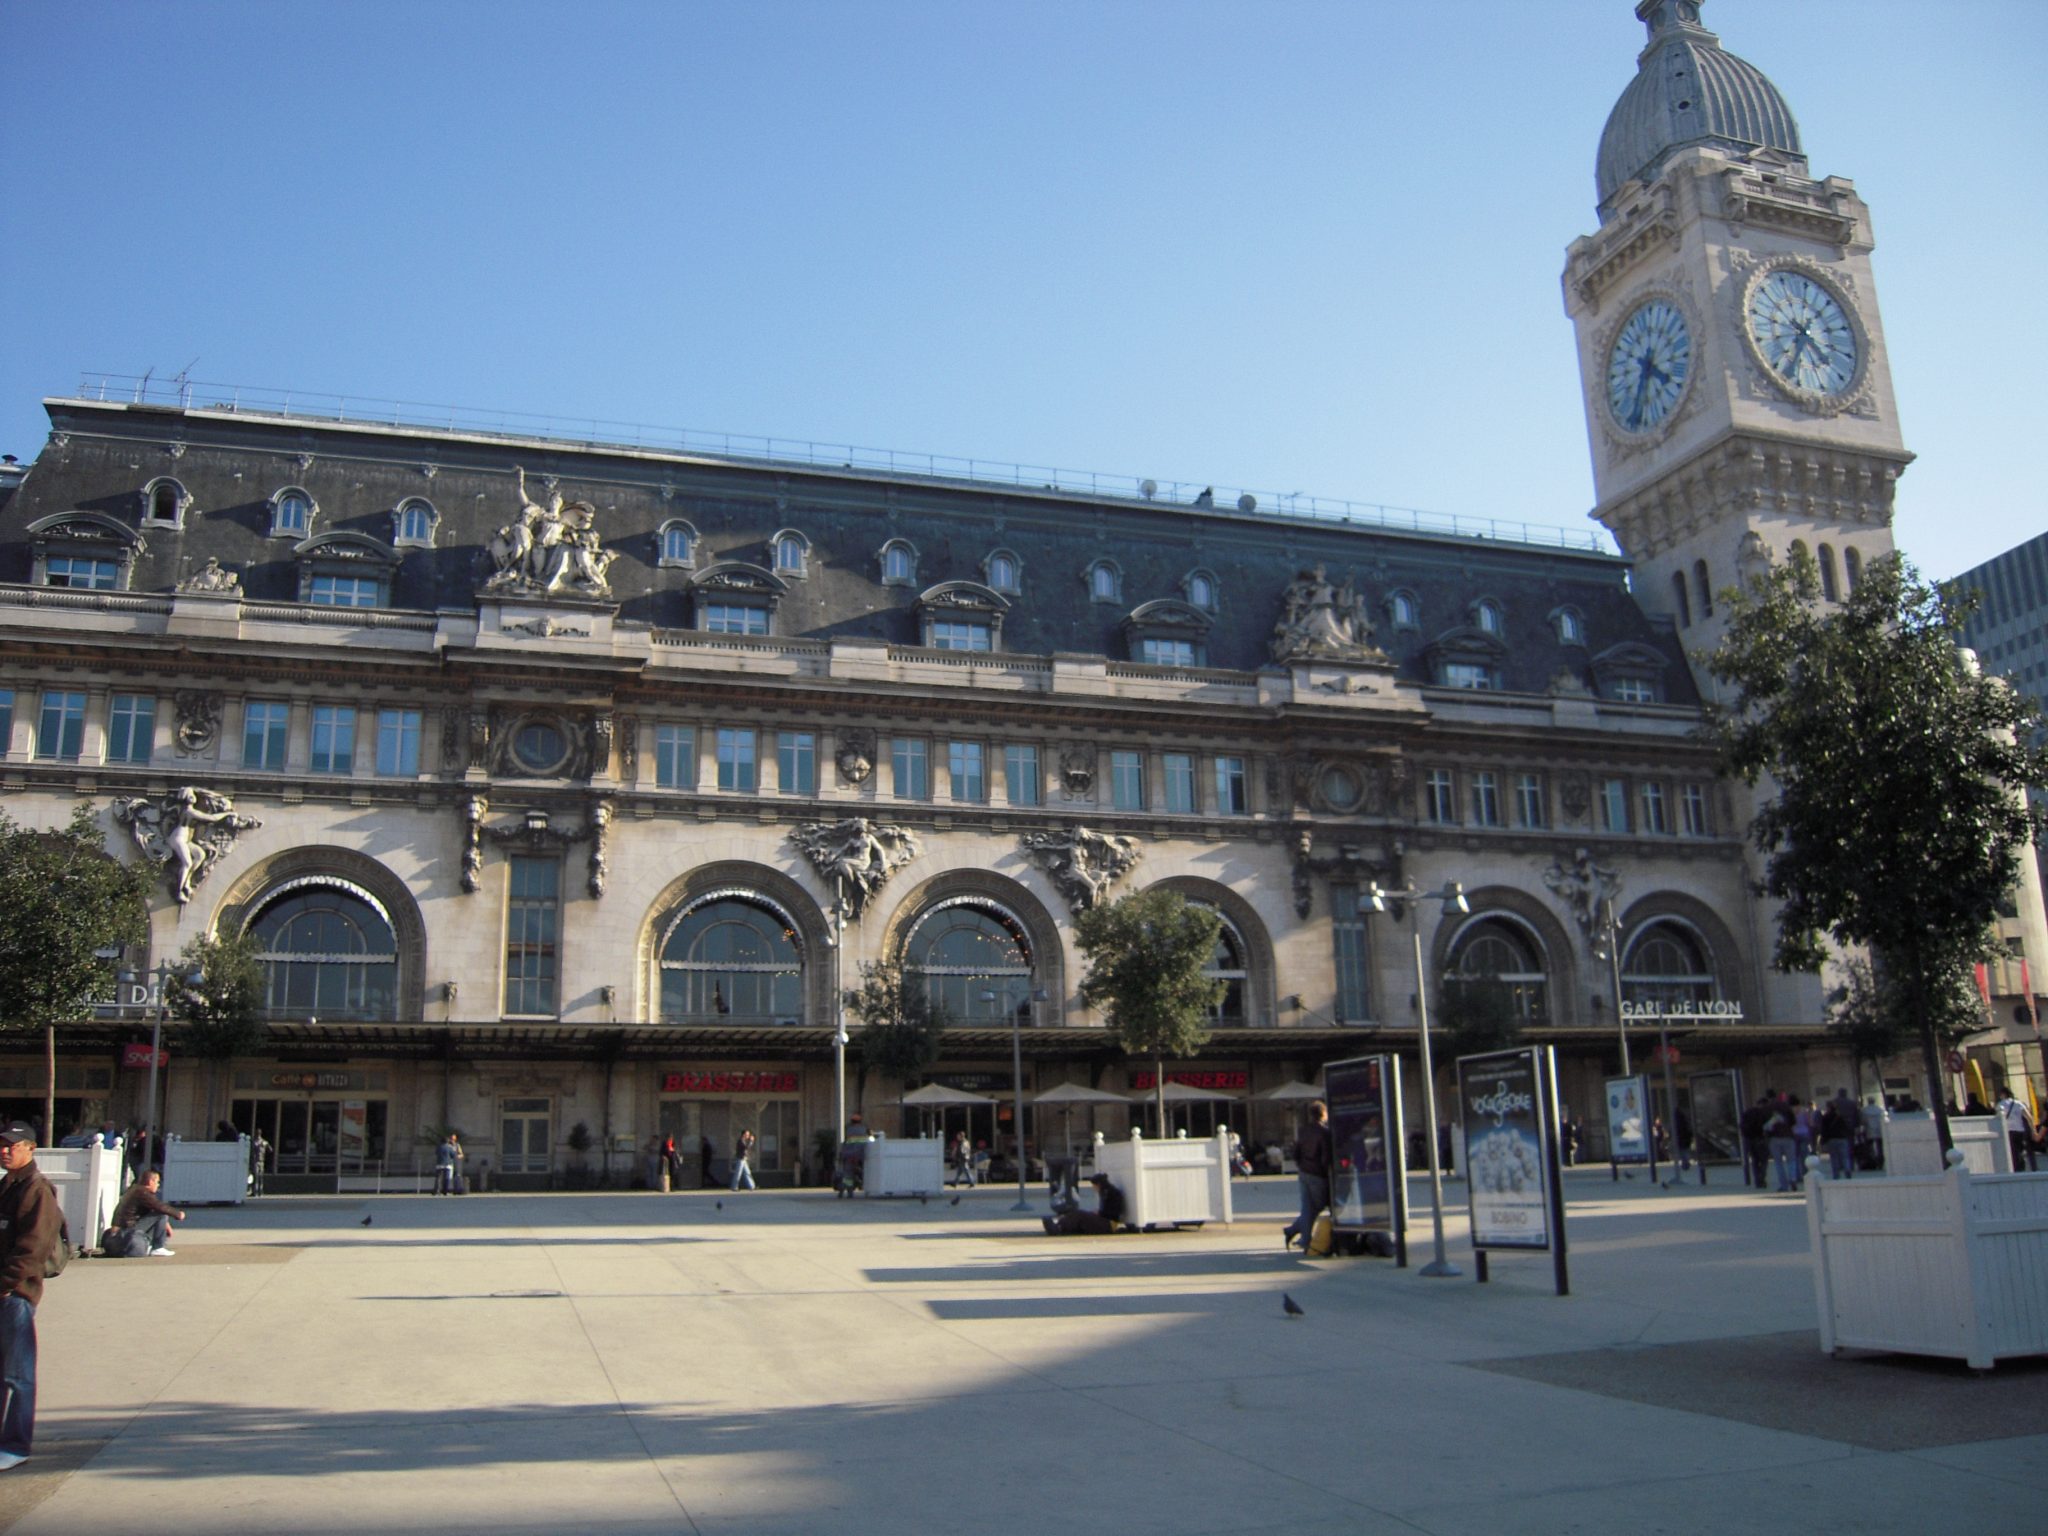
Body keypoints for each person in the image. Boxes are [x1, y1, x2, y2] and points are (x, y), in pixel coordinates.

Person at [0, 1122, 61, 1470]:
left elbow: (33, 1248)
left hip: (15, 1295)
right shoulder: (7, 1187)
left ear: (31, 1148)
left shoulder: (37, 1190)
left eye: (13, 1145)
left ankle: (16, 1445)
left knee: (18, 1375)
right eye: (2, 1144)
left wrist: (7, 1284)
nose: (5, 1150)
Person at [1282, 1099, 1334, 1252]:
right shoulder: (1324, 1132)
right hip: (1317, 1173)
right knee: (1317, 1206)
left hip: (1304, 1172)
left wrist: (1301, 1165)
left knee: (1307, 1206)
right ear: (1323, 1114)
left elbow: (1296, 1152)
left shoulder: (1304, 1131)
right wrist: (1326, 1171)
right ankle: (1296, 1233)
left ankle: (1297, 1234)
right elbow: (1325, 1156)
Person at [106, 1170, 184, 1257]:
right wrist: (178, 1214)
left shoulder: (134, 1189)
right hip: (128, 1229)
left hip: (122, 1229)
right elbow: (160, 1207)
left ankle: (149, 1245)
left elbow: (151, 1209)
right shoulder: (143, 1193)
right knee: (161, 1215)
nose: (158, 1185)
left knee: (159, 1215)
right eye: (157, 1182)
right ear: (151, 1181)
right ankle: (158, 1247)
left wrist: (166, 1225)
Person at [1042, 1172, 1125, 1235]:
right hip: (1106, 1221)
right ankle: (1059, 1226)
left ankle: (1058, 1228)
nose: (1093, 1188)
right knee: (1078, 1216)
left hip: (1109, 1225)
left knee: (1080, 1214)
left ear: (1099, 1185)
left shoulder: (1111, 1193)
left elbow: (1113, 1213)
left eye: (1094, 1186)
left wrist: (1099, 1213)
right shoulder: (1105, 1192)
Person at [1995, 1088, 2037, 1172]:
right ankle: (2022, 1166)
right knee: (2020, 1149)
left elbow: (1997, 1119)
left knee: (2012, 1151)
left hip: (2009, 1131)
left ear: (2003, 1094)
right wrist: (2033, 1130)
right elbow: (2029, 1118)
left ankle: (2016, 1168)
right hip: (2020, 1131)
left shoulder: (2000, 1105)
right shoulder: (2019, 1104)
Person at [249, 1128, 269, 1197]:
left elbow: (270, 1149)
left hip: (257, 1161)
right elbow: (270, 1149)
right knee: (258, 1176)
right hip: (260, 1160)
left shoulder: (255, 1142)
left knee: (257, 1176)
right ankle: (259, 1191)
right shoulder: (263, 1142)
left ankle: (257, 1192)